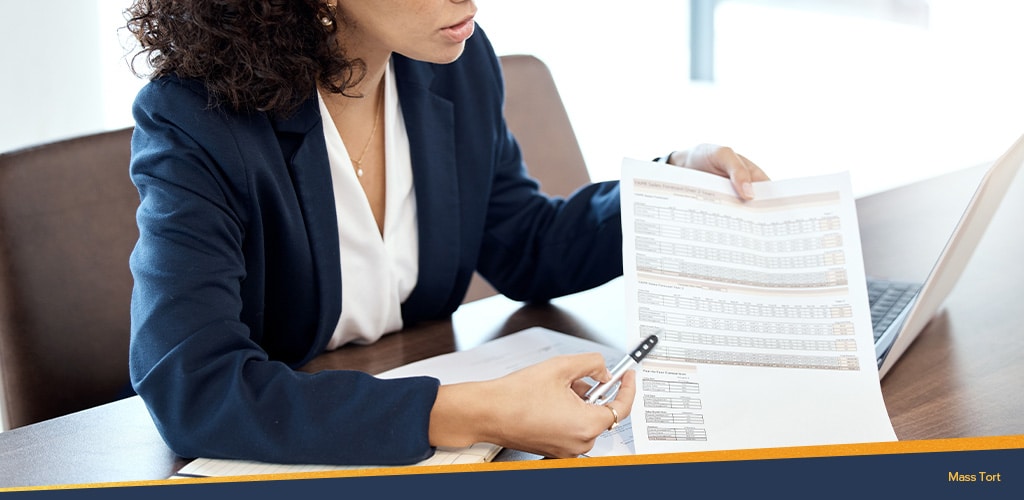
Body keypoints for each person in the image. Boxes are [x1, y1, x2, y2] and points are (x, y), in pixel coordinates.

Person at [124, 0, 768, 466]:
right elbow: (194, 385)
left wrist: (671, 185)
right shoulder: (195, 116)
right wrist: (473, 412)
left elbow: (526, 243)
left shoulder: (451, 63)